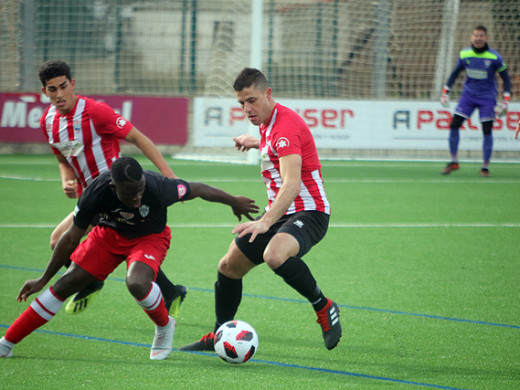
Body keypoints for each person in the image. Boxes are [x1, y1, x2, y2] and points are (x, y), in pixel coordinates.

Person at [0, 157, 259, 360]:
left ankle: (164, 326)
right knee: (64, 285)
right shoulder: (96, 192)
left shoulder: (159, 187)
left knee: (136, 282)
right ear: (114, 187)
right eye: (129, 194)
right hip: (108, 236)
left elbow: (199, 189)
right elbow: (69, 238)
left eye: (140, 192)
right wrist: (44, 278)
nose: (137, 198)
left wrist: (232, 201)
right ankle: (6, 344)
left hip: (150, 238)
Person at [180, 68, 342, 352]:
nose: (247, 109)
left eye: (252, 100)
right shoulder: (269, 124)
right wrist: (253, 141)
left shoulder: (285, 127)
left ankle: (324, 306)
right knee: (228, 266)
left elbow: (292, 184)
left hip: (309, 212)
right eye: (242, 103)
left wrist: (265, 222)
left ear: (268, 94)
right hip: (281, 213)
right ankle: (220, 334)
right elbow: (276, 145)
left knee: (274, 255)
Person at [38, 59, 185, 316]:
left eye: (63, 86)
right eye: (52, 89)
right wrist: (66, 180)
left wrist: (169, 176)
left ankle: (93, 279)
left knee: (71, 243)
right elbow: (64, 159)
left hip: (114, 195)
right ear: (44, 92)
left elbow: (139, 138)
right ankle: (170, 292)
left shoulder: (95, 112)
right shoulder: (48, 122)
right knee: (59, 243)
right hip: (89, 198)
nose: (60, 94)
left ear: (72, 84)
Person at [440, 25, 511, 177]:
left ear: (486, 38)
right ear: (472, 37)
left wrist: (506, 98)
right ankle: (454, 161)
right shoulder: (465, 54)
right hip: (468, 96)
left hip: (487, 98)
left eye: (481, 36)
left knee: (487, 130)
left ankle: (485, 167)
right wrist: (446, 90)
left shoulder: (494, 57)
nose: (478, 38)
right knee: (454, 125)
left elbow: (505, 77)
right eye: (475, 36)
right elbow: (455, 72)